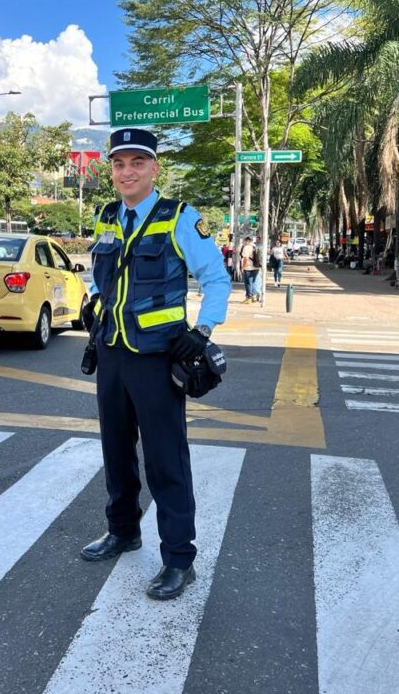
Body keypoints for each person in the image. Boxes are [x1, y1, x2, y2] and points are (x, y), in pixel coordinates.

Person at [78, 127, 231, 601]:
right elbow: (103, 273)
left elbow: (217, 279)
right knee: (116, 451)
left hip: (158, 358)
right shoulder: (106, 216)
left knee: (167, 459)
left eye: (137, 163)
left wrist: (200, 332)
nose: (127, 172)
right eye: (119, 164)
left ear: (154, 168)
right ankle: (123, 530)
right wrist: (94, 302)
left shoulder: (179, 218)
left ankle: (179, 559)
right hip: (111, 353)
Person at [240, 236, 262, 302]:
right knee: (253, 282)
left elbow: (246, 258)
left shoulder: (246, 248)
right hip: (256, 267)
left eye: (244, 241)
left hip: (248, 267)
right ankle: (253, 296)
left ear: (247, 241)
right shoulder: (255, 247)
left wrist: (243, 267)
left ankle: (248, 297)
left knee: (248, 283)